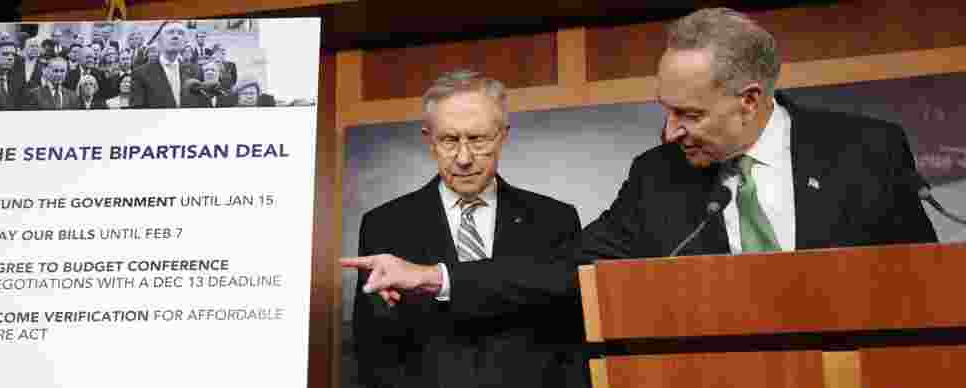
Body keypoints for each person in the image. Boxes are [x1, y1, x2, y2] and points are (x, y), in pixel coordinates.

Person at [342, 7, 938, 317]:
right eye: (665, 109)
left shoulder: (866, 151)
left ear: (749, 100)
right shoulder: (659, 176)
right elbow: (563, 268)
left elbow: (922, 288)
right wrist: (437, 277)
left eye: (689, 114)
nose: (670, 131)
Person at [354, 70, 592, 388]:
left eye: (479, 139)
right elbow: (375, 352)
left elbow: (581, 346)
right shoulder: (385, 226)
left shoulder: (557, 222)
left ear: (504, 134)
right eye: (449, 140)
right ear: (428, 139)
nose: (463, 157)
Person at [132, 21, 200, 109]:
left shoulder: (194, 71)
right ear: (159, 41)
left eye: (180, 33)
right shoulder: (140, 73)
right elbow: (137, 110)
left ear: (185, 42)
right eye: (170, 32)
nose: (175, 36)